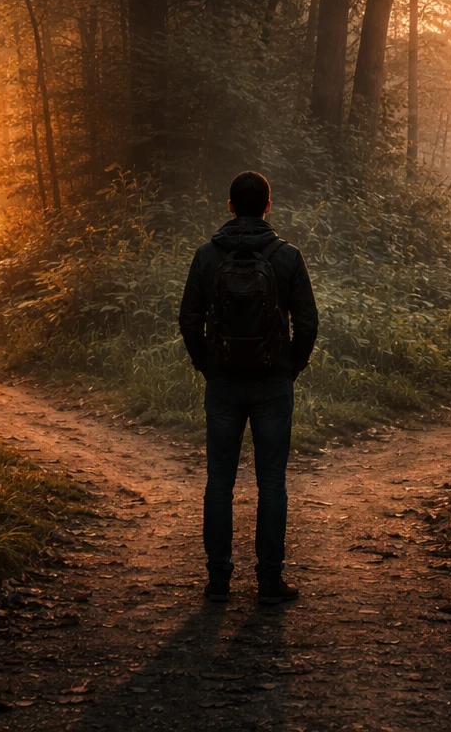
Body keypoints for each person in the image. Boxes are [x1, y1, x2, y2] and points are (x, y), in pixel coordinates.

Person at [178, 170, 318, 605]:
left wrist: (208, 365)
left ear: (230, 206)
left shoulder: (206, 256)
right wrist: (288, 369)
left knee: (219, 480)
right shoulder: (288, 256)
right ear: (268, 207)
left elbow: (188, 320)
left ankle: (218, 581)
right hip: (272, 382)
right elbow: (308, 322)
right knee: (271, 482)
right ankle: (269, 582)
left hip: (222, 382)